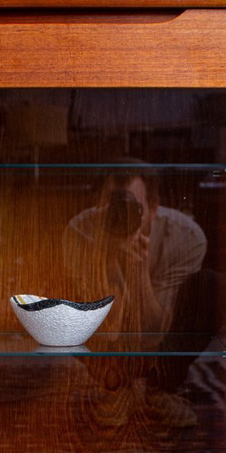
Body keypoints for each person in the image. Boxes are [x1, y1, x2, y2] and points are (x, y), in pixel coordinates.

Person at [62, 160, 207, 428]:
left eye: (132, 207)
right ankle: (115, 387)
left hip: (160, 339)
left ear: (153, 208)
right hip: (109, 342)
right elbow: (102, 328)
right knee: (62, 294)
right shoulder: (80, 233)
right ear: (98, 204)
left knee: (210, 289)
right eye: (111, 206)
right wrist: (107, 264)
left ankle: (158, 388)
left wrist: (138, 273)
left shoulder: (186, 237)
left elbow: (155, 330)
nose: (119, 215)